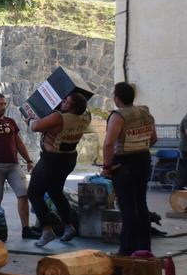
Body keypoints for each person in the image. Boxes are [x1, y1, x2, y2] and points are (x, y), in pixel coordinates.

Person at [27, 93, 91, 247]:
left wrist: (29, 120)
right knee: (55, 192)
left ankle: (47, 230)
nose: (62, 102)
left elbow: (35, 126)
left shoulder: (59, 117)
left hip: (51, 160)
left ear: (72, 107)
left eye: (66, 101)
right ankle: (69, 227)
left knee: (34, 193)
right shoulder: (86, 116)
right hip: (69, 159)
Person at [102, 82, 157, 256]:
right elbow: (153, 139)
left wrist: (107, 167)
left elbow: (109, 143)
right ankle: (144, 247)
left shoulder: (118, 116)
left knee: (127, 207)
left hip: (124, 164)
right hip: (143, 159)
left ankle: (126, 248)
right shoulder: (145, 112)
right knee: (141, 204)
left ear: (117, 98)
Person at [0, 93, 39, 239]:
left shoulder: (10, 122)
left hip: (13, 165)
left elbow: (19, 143)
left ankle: (26, 229)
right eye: (0, 104)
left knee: (23, 194)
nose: (3, 107)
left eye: (5, 104)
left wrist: (29, 160)